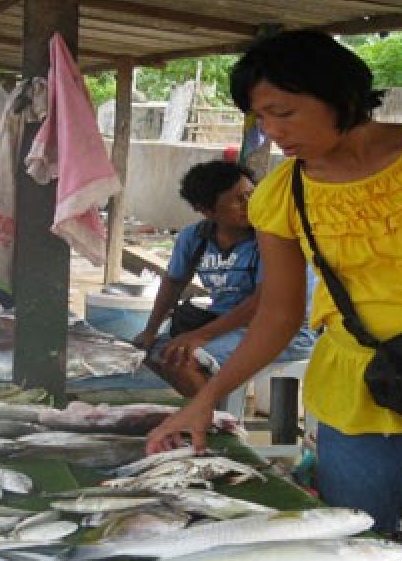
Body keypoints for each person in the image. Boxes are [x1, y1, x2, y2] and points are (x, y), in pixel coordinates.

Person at [146, 31, 402, 532]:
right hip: (359, 386)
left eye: (285, 112)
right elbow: (279, 314)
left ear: (338, 96)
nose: (272, 130)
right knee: (356, 535)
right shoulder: (283, 195)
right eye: (262, 116)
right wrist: (205, 400)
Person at [131, 160, 315, 397]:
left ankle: (211, 422)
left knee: (185, 360)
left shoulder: (273, 238)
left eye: (251, 195)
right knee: (152, 354)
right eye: (239, 200)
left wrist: (201, 335)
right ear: (207, 210)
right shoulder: (195, 238)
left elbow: (262, 302)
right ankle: (209, 412)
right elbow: (173, 283)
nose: (249, 204)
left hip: (284, 331)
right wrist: (150, 331)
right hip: (228, 325)